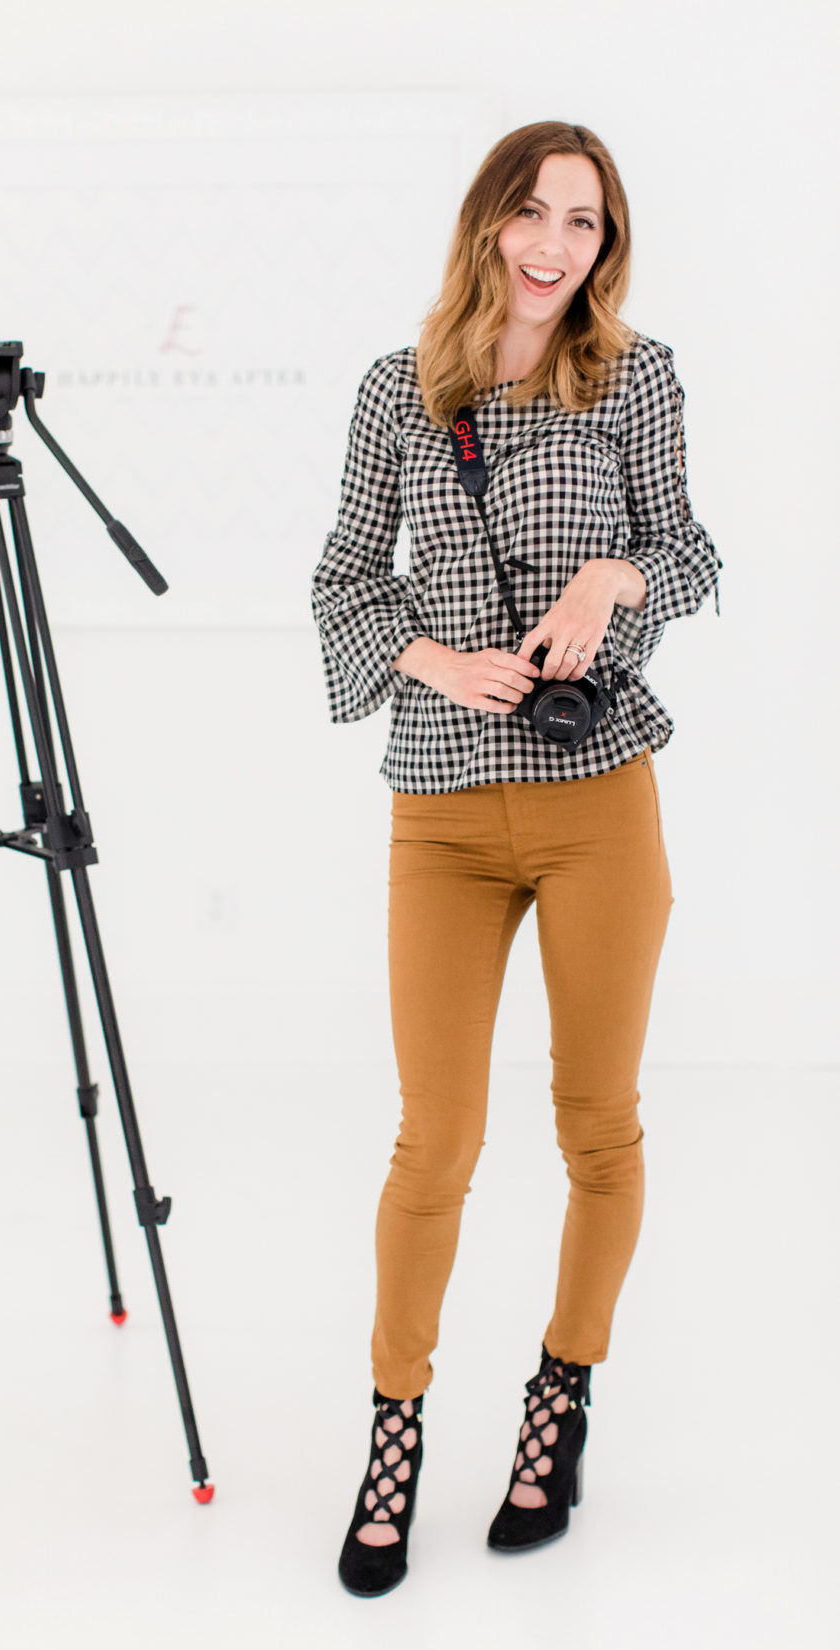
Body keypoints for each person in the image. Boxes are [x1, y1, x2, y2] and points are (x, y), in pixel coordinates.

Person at [310, 120, 721, 1598]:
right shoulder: (397, 389)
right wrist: (431, 655)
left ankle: (563, 1393)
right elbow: (344, 576)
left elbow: (694, 553)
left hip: (600, 792)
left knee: (596, 1122)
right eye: (535, 214)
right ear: (488, 221)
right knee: (437, 1140)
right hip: (442, 803)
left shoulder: (634, 376)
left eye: (586, 224)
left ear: (607, 247)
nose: (557, 244)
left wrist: (616, 576)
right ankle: (396, 1421)